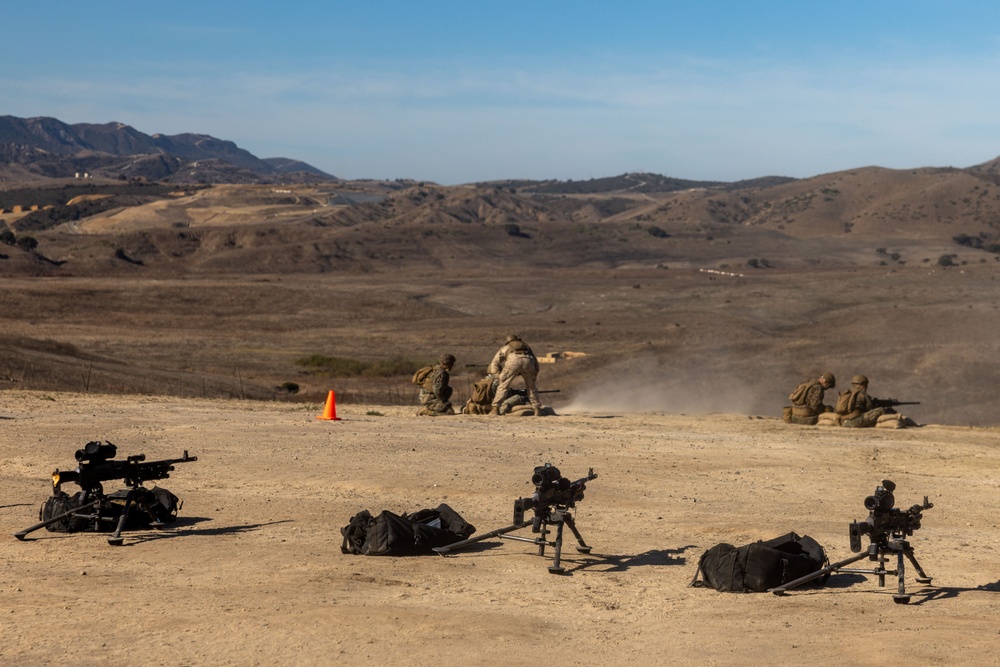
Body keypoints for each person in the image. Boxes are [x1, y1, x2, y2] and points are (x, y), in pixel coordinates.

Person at [488, 333, 542, 416]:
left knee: (503, 386)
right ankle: (537, 409)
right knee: (531, 387)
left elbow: (495, 362)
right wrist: (534, 375)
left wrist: (498, 376)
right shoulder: (526, 347)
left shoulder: (505, 348)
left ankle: (495, 408)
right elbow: (535, 362)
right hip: (528, 362)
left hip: (513, 362)